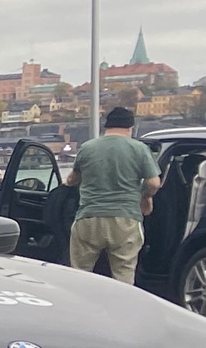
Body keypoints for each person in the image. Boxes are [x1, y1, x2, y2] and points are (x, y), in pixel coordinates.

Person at [63, 108, 160, 284]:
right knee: (124, 275)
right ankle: (121, 309)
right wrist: (146, 198)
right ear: (131, 128)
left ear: (106, 127)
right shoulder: (139, 149)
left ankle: (79, 308)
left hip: (89, 218)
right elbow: (153, 183)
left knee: (79, 275)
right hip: (126, 219)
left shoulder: (87, 148)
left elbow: (72, 179)